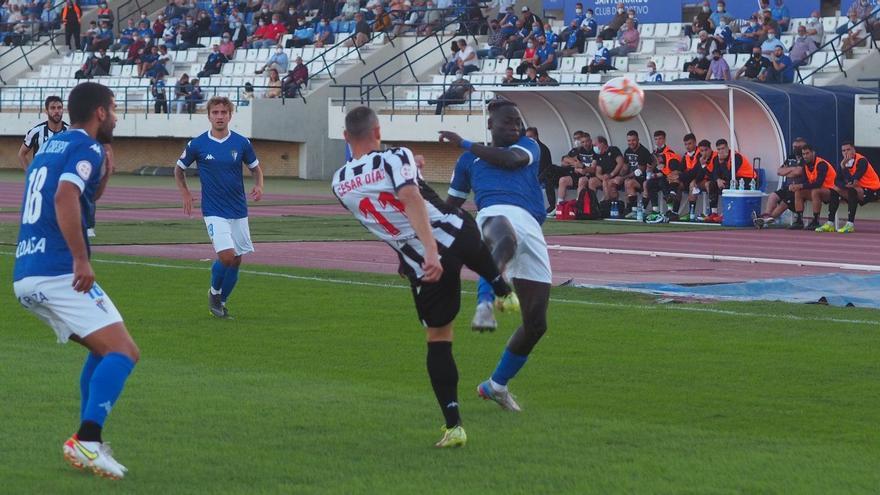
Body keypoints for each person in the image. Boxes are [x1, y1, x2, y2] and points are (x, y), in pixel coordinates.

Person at [333, 106, 516, 448]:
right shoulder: (395, 156)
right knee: (470, 234)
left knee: (439, 337)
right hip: (454, 231)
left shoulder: (339, 183)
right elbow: (411, 195)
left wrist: (424, 254)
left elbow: (387, 211)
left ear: (346, 137)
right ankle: (503, 290)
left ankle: (454, 425)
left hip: (421, 262)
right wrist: (432, 244)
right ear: (378, 131)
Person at [13, 82, 138, 480]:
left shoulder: (52, 145)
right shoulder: (86, 146)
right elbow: (65, 196)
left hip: (27, 270)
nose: (116, 116)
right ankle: (87, 439)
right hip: (58, 268)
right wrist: (81, 259)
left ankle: (92, 444)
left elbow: (76, 194)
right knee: (124, 352)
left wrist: (104, 177)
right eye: (114, 108)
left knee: (103, 350)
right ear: (100, 112)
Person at [442, 99, 551, 414]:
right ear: (490, 125)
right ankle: (486, 302)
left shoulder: (528, 146)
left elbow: (510, 161)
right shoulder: (468, 162)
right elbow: (452, 206)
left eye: (517, 121)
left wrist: (464, 142)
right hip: (494, 214)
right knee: (504, 237)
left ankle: (496, 385)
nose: (515, 126)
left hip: (532, 227)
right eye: (507, 121)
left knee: (536, 324)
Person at [174, 97, 264, 318]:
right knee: (226, 257)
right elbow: (178, 168)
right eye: (215, 112)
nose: (220, 116)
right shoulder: (197, 144)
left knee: (237, 260)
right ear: (209, 116)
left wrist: (259, 185)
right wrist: (185, 192)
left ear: (230, 115)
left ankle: (221, 303)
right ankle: (214, 293)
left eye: (224, 112)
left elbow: (256, 169)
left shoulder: (242, 143)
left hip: (238, 209)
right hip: (214, 210)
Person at [817, 142, 880, 233]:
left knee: (852, 190)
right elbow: (837, 181)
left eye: (848, 149)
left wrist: (843, 168)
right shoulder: (844, 162)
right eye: (843, 150)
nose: (846, 152)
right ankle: (830, 223)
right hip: (857, 189)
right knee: (835, 189)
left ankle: (850, 224)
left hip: (872, 189)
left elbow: (853, 180)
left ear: (854, 150)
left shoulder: (861, 161)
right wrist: (845, 185)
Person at [788, 143, 835, 230]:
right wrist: (795, 186)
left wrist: (801, 185)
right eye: (803, 154)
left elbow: (818, 183)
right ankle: (799, 220)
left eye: (807, 153)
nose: (805, 156)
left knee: (815, 190)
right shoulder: (805, 165)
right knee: (799, 191)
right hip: (817, 192)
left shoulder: (821, 164)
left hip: (831, 191)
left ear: (813, 153)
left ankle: (816, 220)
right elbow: (805, 182)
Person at [18, 96, 68, 170]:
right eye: (53, 108)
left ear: (62, 110)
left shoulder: (70, 132)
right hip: (42, 178)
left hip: (62, 179)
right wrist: (29, 174)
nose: (57, 111)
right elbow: (21, 154)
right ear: (46, 111)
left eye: (59, 107)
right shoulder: (36, 132)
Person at [644, 130, 683, 222]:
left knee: (663, 182)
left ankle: (670, 210)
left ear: (664, 139)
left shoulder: (670, 153)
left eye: (660, 138)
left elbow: (673, 171)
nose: (658, 141)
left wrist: (657, 174)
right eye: (656, 139)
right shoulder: (654, 153)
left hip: (668, 178)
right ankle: (655, 210)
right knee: (649, 183)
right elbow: (651, 168)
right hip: (657, 178)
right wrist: (651, 172)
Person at [620, 130, 655, 218]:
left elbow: (640, 171)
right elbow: (625, 166)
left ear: (638, 140)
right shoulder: (627, 151)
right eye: (629, 140)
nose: (631, 142)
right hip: (634, 178)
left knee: (631, 182)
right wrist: (620, 175)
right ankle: (633, 210)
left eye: (633, 140)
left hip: (645, 178)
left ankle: (639, 210)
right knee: (627, 182)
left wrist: (624, 177)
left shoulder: (643, 151)